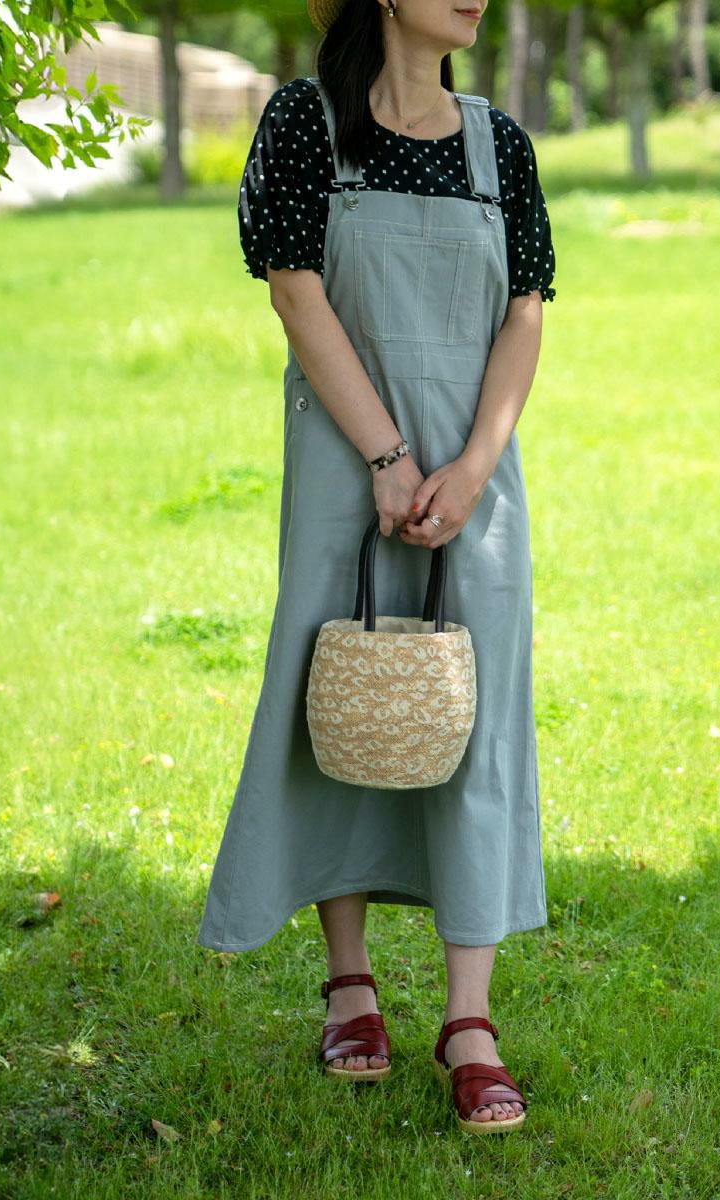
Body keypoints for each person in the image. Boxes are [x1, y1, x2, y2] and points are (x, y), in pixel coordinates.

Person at [197, 0, 557, 1135]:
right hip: (347, 470)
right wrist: (388, 460)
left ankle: (469, 1021)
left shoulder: (501, 144)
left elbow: (526, 315)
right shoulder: (306, 123)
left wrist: (472, 466)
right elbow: (294, 289)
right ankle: (350, 985)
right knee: (339, 706)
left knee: (475, 721)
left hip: (471, 484)